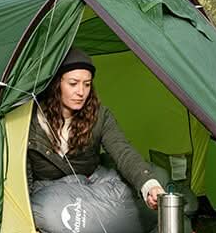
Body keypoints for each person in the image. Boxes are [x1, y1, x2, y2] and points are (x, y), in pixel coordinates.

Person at [27, 47, 165, 210]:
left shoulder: (100, 115)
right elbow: (22, 173)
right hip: (49, 194)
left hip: (91, 187)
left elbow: (122, 151)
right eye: (73, 84)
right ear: (56, 84)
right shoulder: (30, 120)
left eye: (87, 85)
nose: (81, 92)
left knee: (155, 178)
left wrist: (149, 185)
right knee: (47, 212)